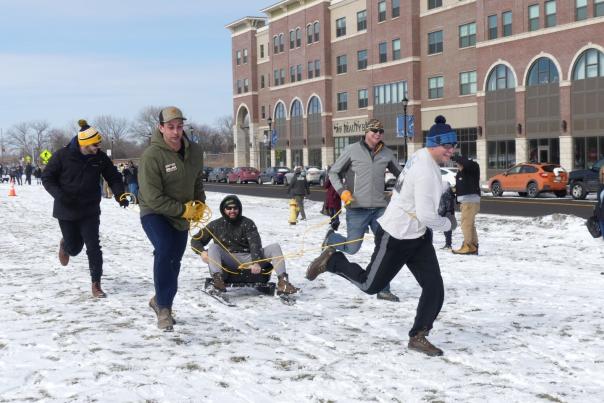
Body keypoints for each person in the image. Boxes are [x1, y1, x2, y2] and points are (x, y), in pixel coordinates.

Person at [306, 115, 457, 356]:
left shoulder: (419, 156)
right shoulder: (425, 169)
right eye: (447, 146)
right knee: (369, 284)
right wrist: (448, 224)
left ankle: (418, 336)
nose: (452, 150)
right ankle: (332, 261)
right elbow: (429, 216)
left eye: (454, 145)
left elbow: (404, 182)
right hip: (396, 235)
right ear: (433, 145)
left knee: (434, 287)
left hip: (417, 237)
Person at [42, 119, 127, 298]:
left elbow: (113, 177)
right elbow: (47, 178)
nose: (98, 147)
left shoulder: (100, 158)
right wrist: (60, 195)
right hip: (66, 209)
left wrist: (120, 194)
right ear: (85, 143)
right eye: (95, 144)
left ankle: (96, 284)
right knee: (75, 248)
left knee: (93, 246)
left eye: (99, 144)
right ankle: (65, 244)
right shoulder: (62, 156)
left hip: (89, 209)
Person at [138, 106, 206, 331]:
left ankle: (159, 300)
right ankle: (164, 310)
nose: (176, 132)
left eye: (179, 127)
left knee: (174, 261)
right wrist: (182, 210)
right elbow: (152, 197)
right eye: (170, 127)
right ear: (160, 128)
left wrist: (198, 204)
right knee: (165, 249)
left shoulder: (195, 151)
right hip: (154, 212)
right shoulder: (151, 156)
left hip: (181, 213)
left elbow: (197, 181)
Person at [324, 118, 402, 302]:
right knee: (352, 249)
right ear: (366, 132)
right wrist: (342, 191)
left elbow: (402, 175)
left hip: (380, 209)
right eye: (374, 130)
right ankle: (331, 239)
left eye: (381, 131)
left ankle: (383, 289)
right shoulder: (351, 150)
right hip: (357, 208)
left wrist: (396, 192)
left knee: (386, 248)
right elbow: (334, 172)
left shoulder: (387, 154)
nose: (377, 134)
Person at [191, 195, 299, 295]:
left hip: (250, 258)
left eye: (235, 208)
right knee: (213, 247)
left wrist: (256, 262)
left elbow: (255, 243)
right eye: (229, 208)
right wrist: (202, 252)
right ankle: (218, 280)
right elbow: (195, 240)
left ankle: (283, 283)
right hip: (230, 259)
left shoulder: (247, 223)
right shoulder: (215, 225)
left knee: (275, 247)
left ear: (239, 209)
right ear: (223, 210)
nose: (232, 211)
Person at [450, 155, 481, 255]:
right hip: (467, 201)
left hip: (469, 201)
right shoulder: (462, 172)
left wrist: (455, 157)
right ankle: (473, 246)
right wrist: (453, 190)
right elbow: (462, 185)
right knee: (470, 225)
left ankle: (467, 246)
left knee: (465, 224)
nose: (457, 165)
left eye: (458, 164)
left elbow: (467, 163)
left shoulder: (472, 166)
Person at [438, 185, 456, 250]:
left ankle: (448, 244)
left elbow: (445, 205)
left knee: (447, 230)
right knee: (447, 229)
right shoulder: (449, 194)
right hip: (448, 213)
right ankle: (448, 244)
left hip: (447, 213)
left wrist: (441, 213)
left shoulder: (446, 194)